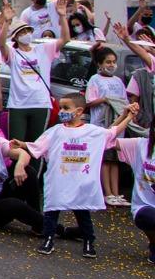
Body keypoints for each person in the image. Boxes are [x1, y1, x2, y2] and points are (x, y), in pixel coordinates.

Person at [13, 93, 137, 259]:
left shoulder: (91, 131)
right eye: (61, 107)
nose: (61, 111)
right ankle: (48, 238)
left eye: (66, 108)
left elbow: (111, 132)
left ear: (79, 111)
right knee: (52, 211)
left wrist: (127, 116)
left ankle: (88, 241)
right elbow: (37, 146)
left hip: (80, 183)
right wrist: (22, 144)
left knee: (82, 212)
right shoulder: (55, 131)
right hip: (59, 180)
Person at [0, 1, 69, 145]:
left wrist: (62, 16)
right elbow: (1, 45)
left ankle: (34, 168)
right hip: (18, 105)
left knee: (37, 145)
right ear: (16, 37)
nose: (26, 34)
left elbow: (65, 39)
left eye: (28, 31)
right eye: (22, 33)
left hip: (41, 103)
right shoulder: (13, 53)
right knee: (16, 144)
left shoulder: (43, 49)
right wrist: (6, 22)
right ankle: (18, 168)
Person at [85, 45, 129, 206]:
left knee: (114, 159)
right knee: (105, 159)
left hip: (117, 124)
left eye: (113, 62)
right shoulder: (95, 80)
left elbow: (124, 101)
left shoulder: (118, 81)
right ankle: (107, 192)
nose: (111, 65)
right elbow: (89, 102)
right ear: (99, 64)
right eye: (108, 62)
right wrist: (105, 99)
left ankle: (116, 193)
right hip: (102, 124)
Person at [110, 127, 155, 264]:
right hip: (145, 206)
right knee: (146, 217)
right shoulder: (141, 145)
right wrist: (125, 116)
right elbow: (106, 140)